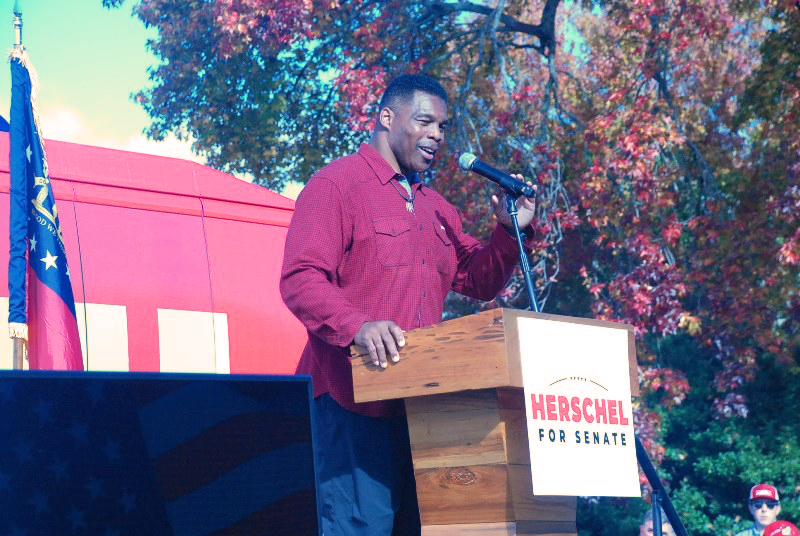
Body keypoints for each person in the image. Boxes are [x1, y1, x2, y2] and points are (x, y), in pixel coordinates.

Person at [280, 73, 536, 535]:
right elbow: (300, 279)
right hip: (353, 401)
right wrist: (357, 325)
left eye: (442, 126)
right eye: (425, 122)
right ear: (386, 117)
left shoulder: (436, 206)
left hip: (426, 412)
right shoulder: (335, 186)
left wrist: (508, 230)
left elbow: (478, 280)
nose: (437, 135)